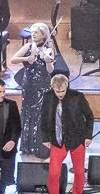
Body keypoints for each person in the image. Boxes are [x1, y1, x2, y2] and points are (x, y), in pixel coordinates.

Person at [44, 71, 96, 194]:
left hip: (77, 139)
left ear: (67, 86)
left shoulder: (77, 97)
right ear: (53, 88)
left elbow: (90, 117)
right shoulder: (48, 97)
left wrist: (88, 136)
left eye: (62, 91)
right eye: (57, 91)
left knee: (79, 172)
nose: (60, 94)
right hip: (57, 141)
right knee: (53, 174)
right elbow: (44, 118)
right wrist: (45, 137)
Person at [15, 25, 68, 157]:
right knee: (28, 111)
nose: (33, 34)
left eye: (36, 32)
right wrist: (26, 59)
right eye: (32, 32)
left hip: (42, 85)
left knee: (40, 113)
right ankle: (27, 147)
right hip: (29, 85)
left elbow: (50, 70)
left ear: (43, 35)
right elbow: (13, 59)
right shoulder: (27, 47)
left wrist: (48, 62)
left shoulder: (48, 49)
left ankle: (40, 147)